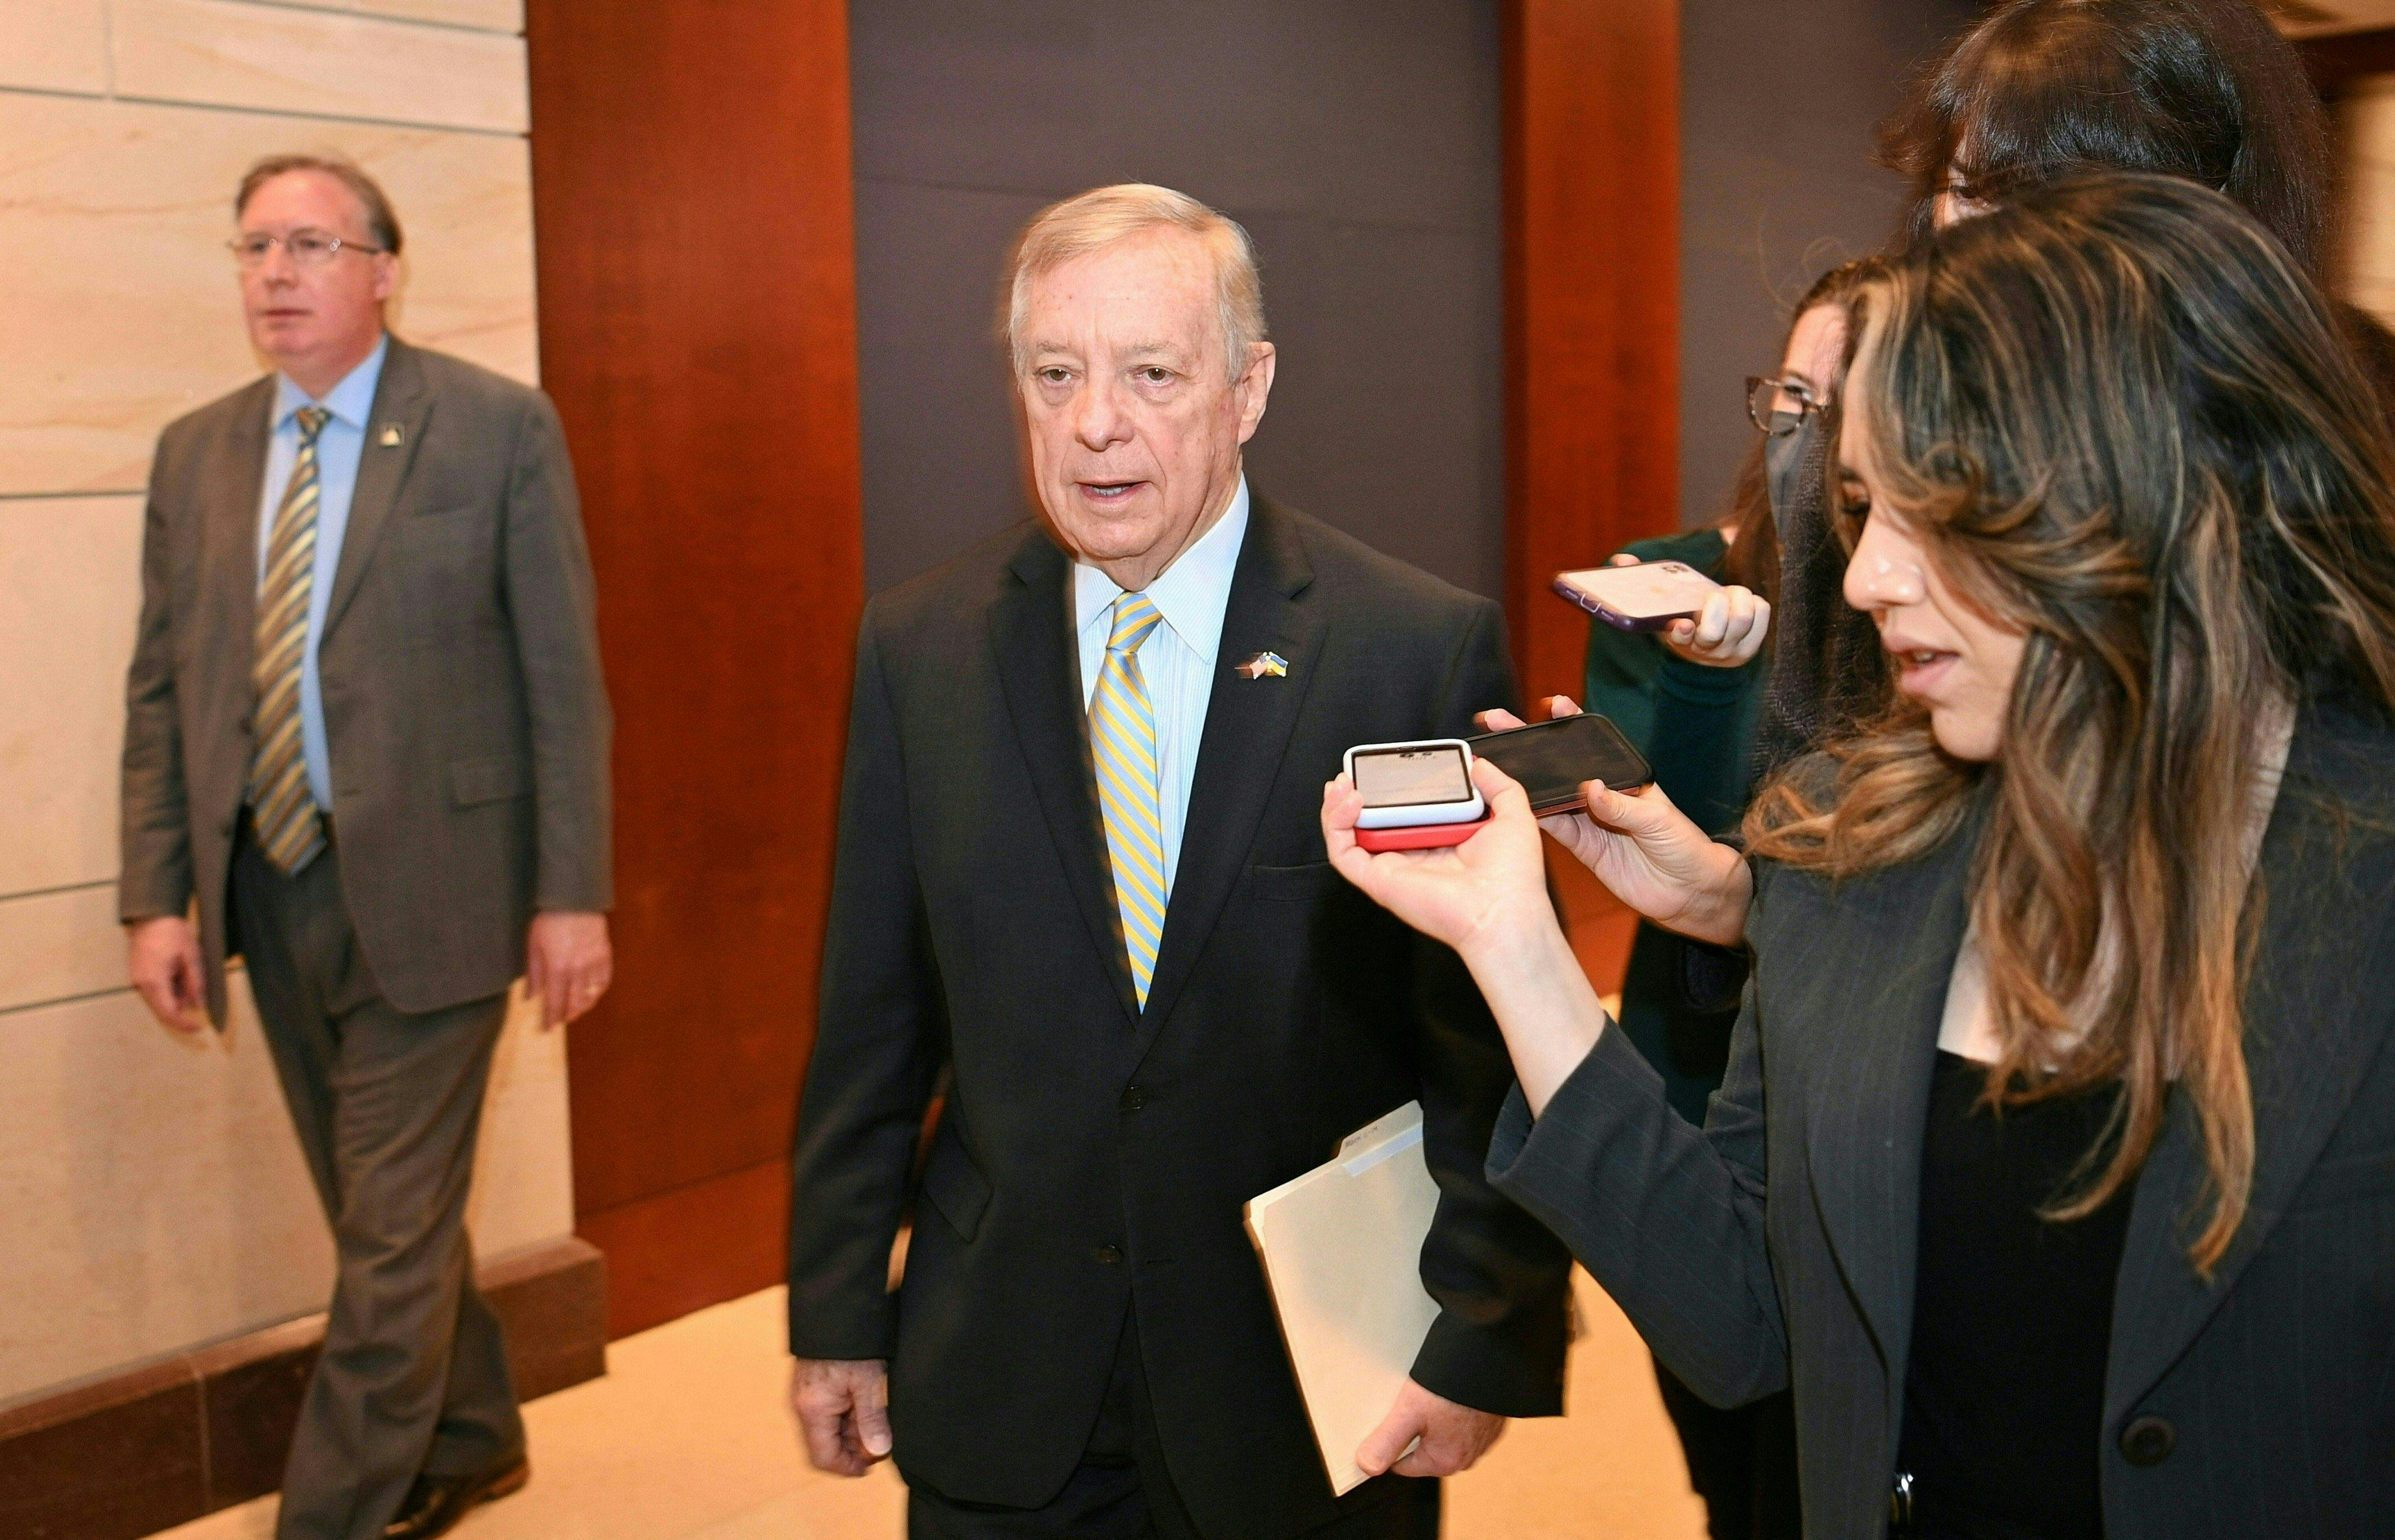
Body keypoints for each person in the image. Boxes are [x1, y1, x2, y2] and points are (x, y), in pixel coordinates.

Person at [1324, 174, 2395, 1538]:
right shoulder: (1849, 853)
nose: (1868, 575)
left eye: (1927, 509)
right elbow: (1746, 1320)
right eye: (1857, 508)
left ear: (2122, 496)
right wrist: (1516, 946)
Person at [782, 184, 1570, 1539]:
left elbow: (1483, 1043)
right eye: (1056, 373)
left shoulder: (1405, 651)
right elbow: (872, 1018)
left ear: (1248, 388)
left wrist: (1482, 1329)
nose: (1096, 422)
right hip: (1003, 1369)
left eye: (1152, 373)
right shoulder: (919, 651)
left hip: (1306, 1379)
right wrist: (836, 1308)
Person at [119, 155, 613, 1540]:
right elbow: (163, 688)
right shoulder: (196, 451)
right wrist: (158, 895)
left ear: (384, 271)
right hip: (268, 888)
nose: (276, 273)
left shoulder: (493, 427)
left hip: (448, 891)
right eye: (256, 245)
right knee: (379, 1213)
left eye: (313, 244)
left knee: (388, 1237)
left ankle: (327, 1516)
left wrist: (573, 892)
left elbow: (561, 678)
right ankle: (473, 1426)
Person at [1576, 257, 1881, 1540]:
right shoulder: (1668, 579)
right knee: (1730, 1472)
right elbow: (1676, 840)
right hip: (1692, 1088)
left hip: (1849, 1107)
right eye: (1789, 400)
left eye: (1839, 406)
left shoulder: (1910, 612)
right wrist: (1715, 667)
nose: (1801, 438)